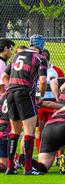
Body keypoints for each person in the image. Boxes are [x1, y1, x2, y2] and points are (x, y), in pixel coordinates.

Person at [3, 34, 47, 175]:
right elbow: (43, 80)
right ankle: (28, 168)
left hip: (10, 93)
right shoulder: (40, 58)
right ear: (41, 47)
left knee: (14, 131)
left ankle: (10, 167)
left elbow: (4, 77)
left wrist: (10, 87)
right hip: (25, 94)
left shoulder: (17, 56)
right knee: (29, 131)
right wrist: (41, 95)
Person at [35, 48, 64, 153]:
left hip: (53, 104)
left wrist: (59, 101)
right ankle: (41, 154)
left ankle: (59, 157)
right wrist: (38, 97)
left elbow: (62, 87)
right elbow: (35, 86)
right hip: (40, 104)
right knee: (39, 130)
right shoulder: (35, 70)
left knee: (56, 130)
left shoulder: (56, 70)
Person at [0, 38, 15, 172]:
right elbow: (1, 86)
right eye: (10, 49)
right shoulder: (2, 65)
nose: (11, 52)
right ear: (5, 48)